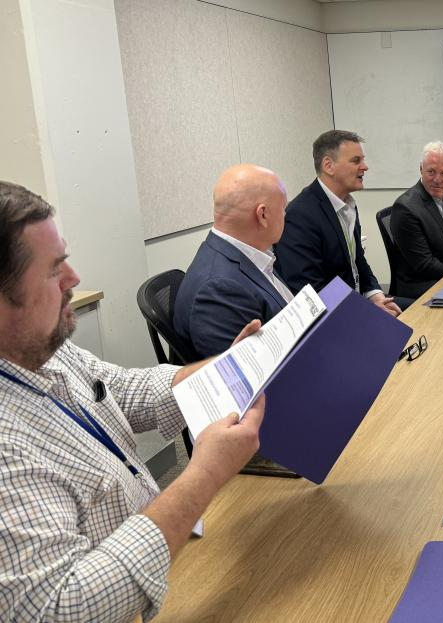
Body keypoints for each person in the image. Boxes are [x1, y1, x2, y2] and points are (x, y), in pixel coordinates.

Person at [0, 181, 264, 622]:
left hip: (155, 558)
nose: (74, 279)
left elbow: (121, 390)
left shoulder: (41, 346)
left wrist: (225, 367)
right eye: (53, 270)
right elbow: (64, 610)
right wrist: (206, 472)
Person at [275, 130, 403, 316]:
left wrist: (375, 295)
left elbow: (358, 261)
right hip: (333, 316)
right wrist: (366, 312)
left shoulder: (347, 205)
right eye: (356, 161)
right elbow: (310, 291)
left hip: (357, 303)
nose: (365, 167)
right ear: (329, 166)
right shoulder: (300, 216)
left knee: (424, 311)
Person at [176, 164, 293, 358]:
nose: (285, 216)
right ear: (262, 215)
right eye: (283, 209)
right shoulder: (219, 290)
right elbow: (250, 372)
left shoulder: (249, 251)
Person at [390, 141, 443, 299]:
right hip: (424, 284)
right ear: (421, 169)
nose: (437, 179)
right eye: (431, 172)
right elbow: (425, 265)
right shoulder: (405, 208)